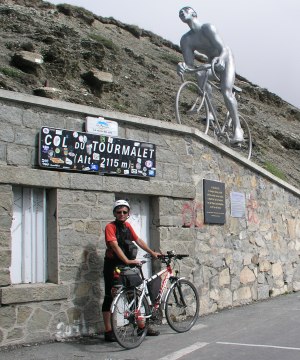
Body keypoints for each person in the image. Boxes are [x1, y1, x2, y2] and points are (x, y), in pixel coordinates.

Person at [177, 6, 244, 143]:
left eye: (185, 10)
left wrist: (220, 58)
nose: (182, 13)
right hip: (212, 62)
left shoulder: (207, 28)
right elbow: (190, 66)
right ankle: (211, 112)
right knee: (200, 73)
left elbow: (223, 48)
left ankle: (238, 129)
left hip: (225, 57)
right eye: (180, 13)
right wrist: (182, 66)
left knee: (226, 91)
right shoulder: (186, 40)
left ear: (194, 13)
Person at [102, 199, 160, 342]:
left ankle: (142, 326)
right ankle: (109, 331)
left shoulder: (127, 226)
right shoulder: (110, 227)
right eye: (118, 212)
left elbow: (138, 241)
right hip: (113, 267)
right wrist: (127, 260)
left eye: (124, 212)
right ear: (114, 213)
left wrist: (152, 252)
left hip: (127, 266)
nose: (121, 214)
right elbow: (114, 246)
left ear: (128, 213)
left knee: (133, 295)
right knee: (110, 296)